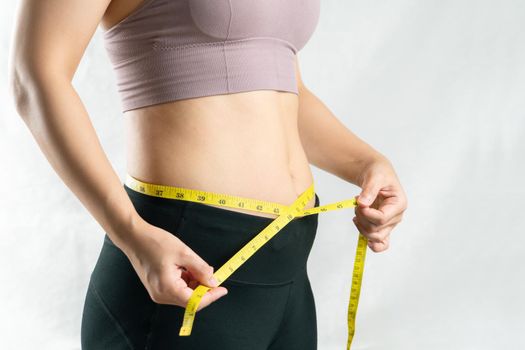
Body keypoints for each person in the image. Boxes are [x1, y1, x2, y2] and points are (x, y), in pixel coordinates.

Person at [8, 0, 408, 349]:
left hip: (289, 263)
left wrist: (367, 163)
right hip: (184, 258)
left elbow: (282, 89)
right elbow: (36, 75)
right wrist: (129, 231)